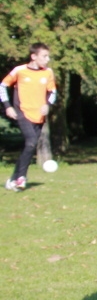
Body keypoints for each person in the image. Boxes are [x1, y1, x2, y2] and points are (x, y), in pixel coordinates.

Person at [2, 43, 56, 192]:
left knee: (29, 146)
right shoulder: (19, 71)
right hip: (22, 113)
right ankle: (21, 178)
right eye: (44, 56)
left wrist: (47, 105)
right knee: (31, 143)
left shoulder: (48, 73)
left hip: (39, 116)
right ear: (34, 56)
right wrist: (8, 106)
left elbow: (53, 92)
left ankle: (12, 179)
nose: (47, 59)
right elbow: (2, 85)